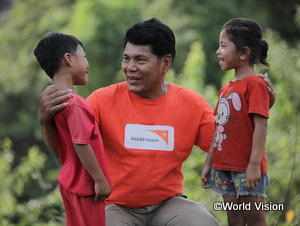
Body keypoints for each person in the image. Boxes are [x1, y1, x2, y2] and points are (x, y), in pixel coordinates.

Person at [37, 18, 275, 226]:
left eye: (140, 60)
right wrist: (45, 121)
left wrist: (255, 108)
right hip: (115, 206)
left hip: (169, 205)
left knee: (201, 222)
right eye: (127, 59)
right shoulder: (101, 100)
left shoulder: (191, 104)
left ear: (166, 63)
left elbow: (229, 142)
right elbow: (65, 152)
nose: (130, 68)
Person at [34, 33, 111, 226]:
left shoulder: (57, 104)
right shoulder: (75, 104)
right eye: (84, 57)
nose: (88, 64)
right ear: (69, 59)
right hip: (86, 186)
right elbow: (81, 143)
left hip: (69, 182)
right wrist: (100, 180)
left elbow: (57, 150)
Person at [201, 18, 272, 226]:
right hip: (223, 167)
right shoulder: (227, 88)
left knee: (254, 217)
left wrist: (253, 165)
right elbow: (219, 128)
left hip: (246, 168)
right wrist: (209, 163)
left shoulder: (256, 85)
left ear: (244, 53)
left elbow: (261, 126)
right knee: (234, 217)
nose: (218, 51)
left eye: (223, 46)